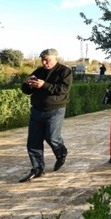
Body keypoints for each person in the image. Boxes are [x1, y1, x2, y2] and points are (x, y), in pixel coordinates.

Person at [19, 48, 73, 183]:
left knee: (52, 137)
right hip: (37, 110)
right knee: (33, 141)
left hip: (55, 110)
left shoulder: (65, 71)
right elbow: (27, 91)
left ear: (55, 58)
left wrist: (44, 85)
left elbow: (63, 90)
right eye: (42, 59)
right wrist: (27, 84)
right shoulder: (38, 71)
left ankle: (61, 153)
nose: (44, 62)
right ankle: (37, 169)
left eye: (47, 60)